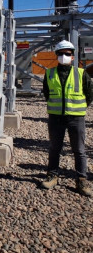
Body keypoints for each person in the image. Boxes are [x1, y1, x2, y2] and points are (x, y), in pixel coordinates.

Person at [40, 40, 92, 197]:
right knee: (55, 148)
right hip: (56, 118)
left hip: (76, 118)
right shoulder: (49, 73)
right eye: (61, 54)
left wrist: (79, 108)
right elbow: (47, 93)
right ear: (57, 55)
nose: (64, 56)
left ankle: (81, 179)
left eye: (67, 54)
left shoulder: (82, 73)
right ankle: (52, 175)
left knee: (79, 150)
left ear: (72, 55)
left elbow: (89, 94)